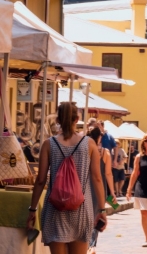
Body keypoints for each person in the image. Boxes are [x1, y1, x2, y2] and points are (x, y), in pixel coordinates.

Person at [26, 101, 108, 253]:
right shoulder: (89, 144)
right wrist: (102, 209)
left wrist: (33, 209)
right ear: (77, 119)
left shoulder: (48, 144)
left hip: (55, 209)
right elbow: (97, 178)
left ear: (57, 120)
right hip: (82, 209)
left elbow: (40, 180)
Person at [127, 133, 147, 246]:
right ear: (143, 143)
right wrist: (129, 189)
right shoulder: (139, 157)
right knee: (144, 213)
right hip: (142, 187)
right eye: (146, 140)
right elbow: (134, 173)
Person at [88, 126, 116, 201]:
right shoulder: (105, 152)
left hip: (85, 189)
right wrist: (112, 192)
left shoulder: (84, 150)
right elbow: (108, 174)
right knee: (100, 211)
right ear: (99, 137)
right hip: (100, 188)